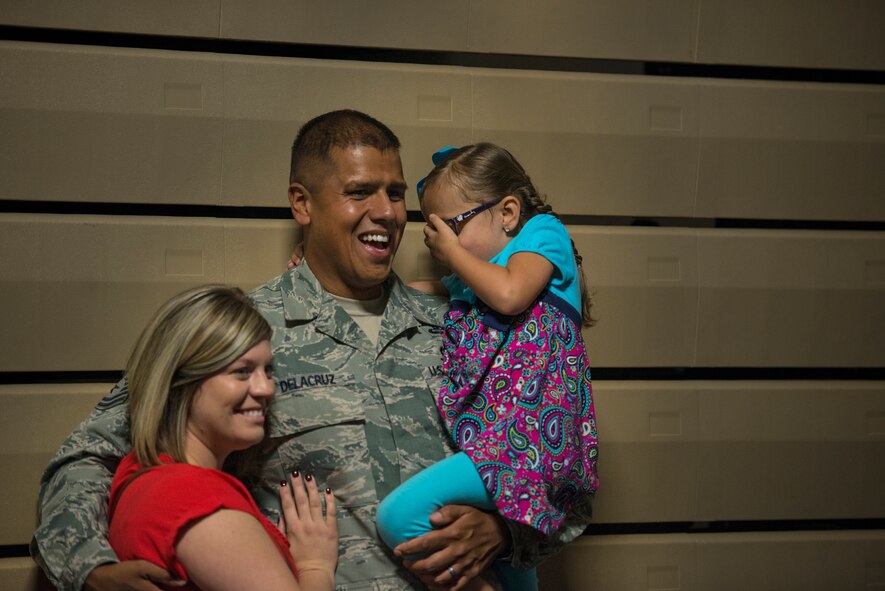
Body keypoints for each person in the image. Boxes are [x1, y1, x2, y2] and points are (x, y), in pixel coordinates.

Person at [31, 110, 593, 591]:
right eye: (358, 192)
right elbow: (87, 456)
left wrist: (507, 532)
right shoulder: (240, 335)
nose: (387, 211)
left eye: (396, 193)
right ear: (302, 203)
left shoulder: (470, 327)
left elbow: (560, 454)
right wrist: (86, 568)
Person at [375, 143, 599, 590]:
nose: (441, 243)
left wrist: (454, 257)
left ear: (509, 212)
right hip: (502, 442)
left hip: (530, 441)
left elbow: (510, 294)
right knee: (514, 572)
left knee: (398, 518)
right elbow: (411, 293)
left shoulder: (542, 234)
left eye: (451, 226)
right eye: (434, 229)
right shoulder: (470, 281)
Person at [109, 285, 338, 591]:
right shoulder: (195, 499)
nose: (266, 388)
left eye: (267, 370)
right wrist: (315, 567)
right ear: (180, 382)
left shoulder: (143, 472)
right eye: (241, 371)